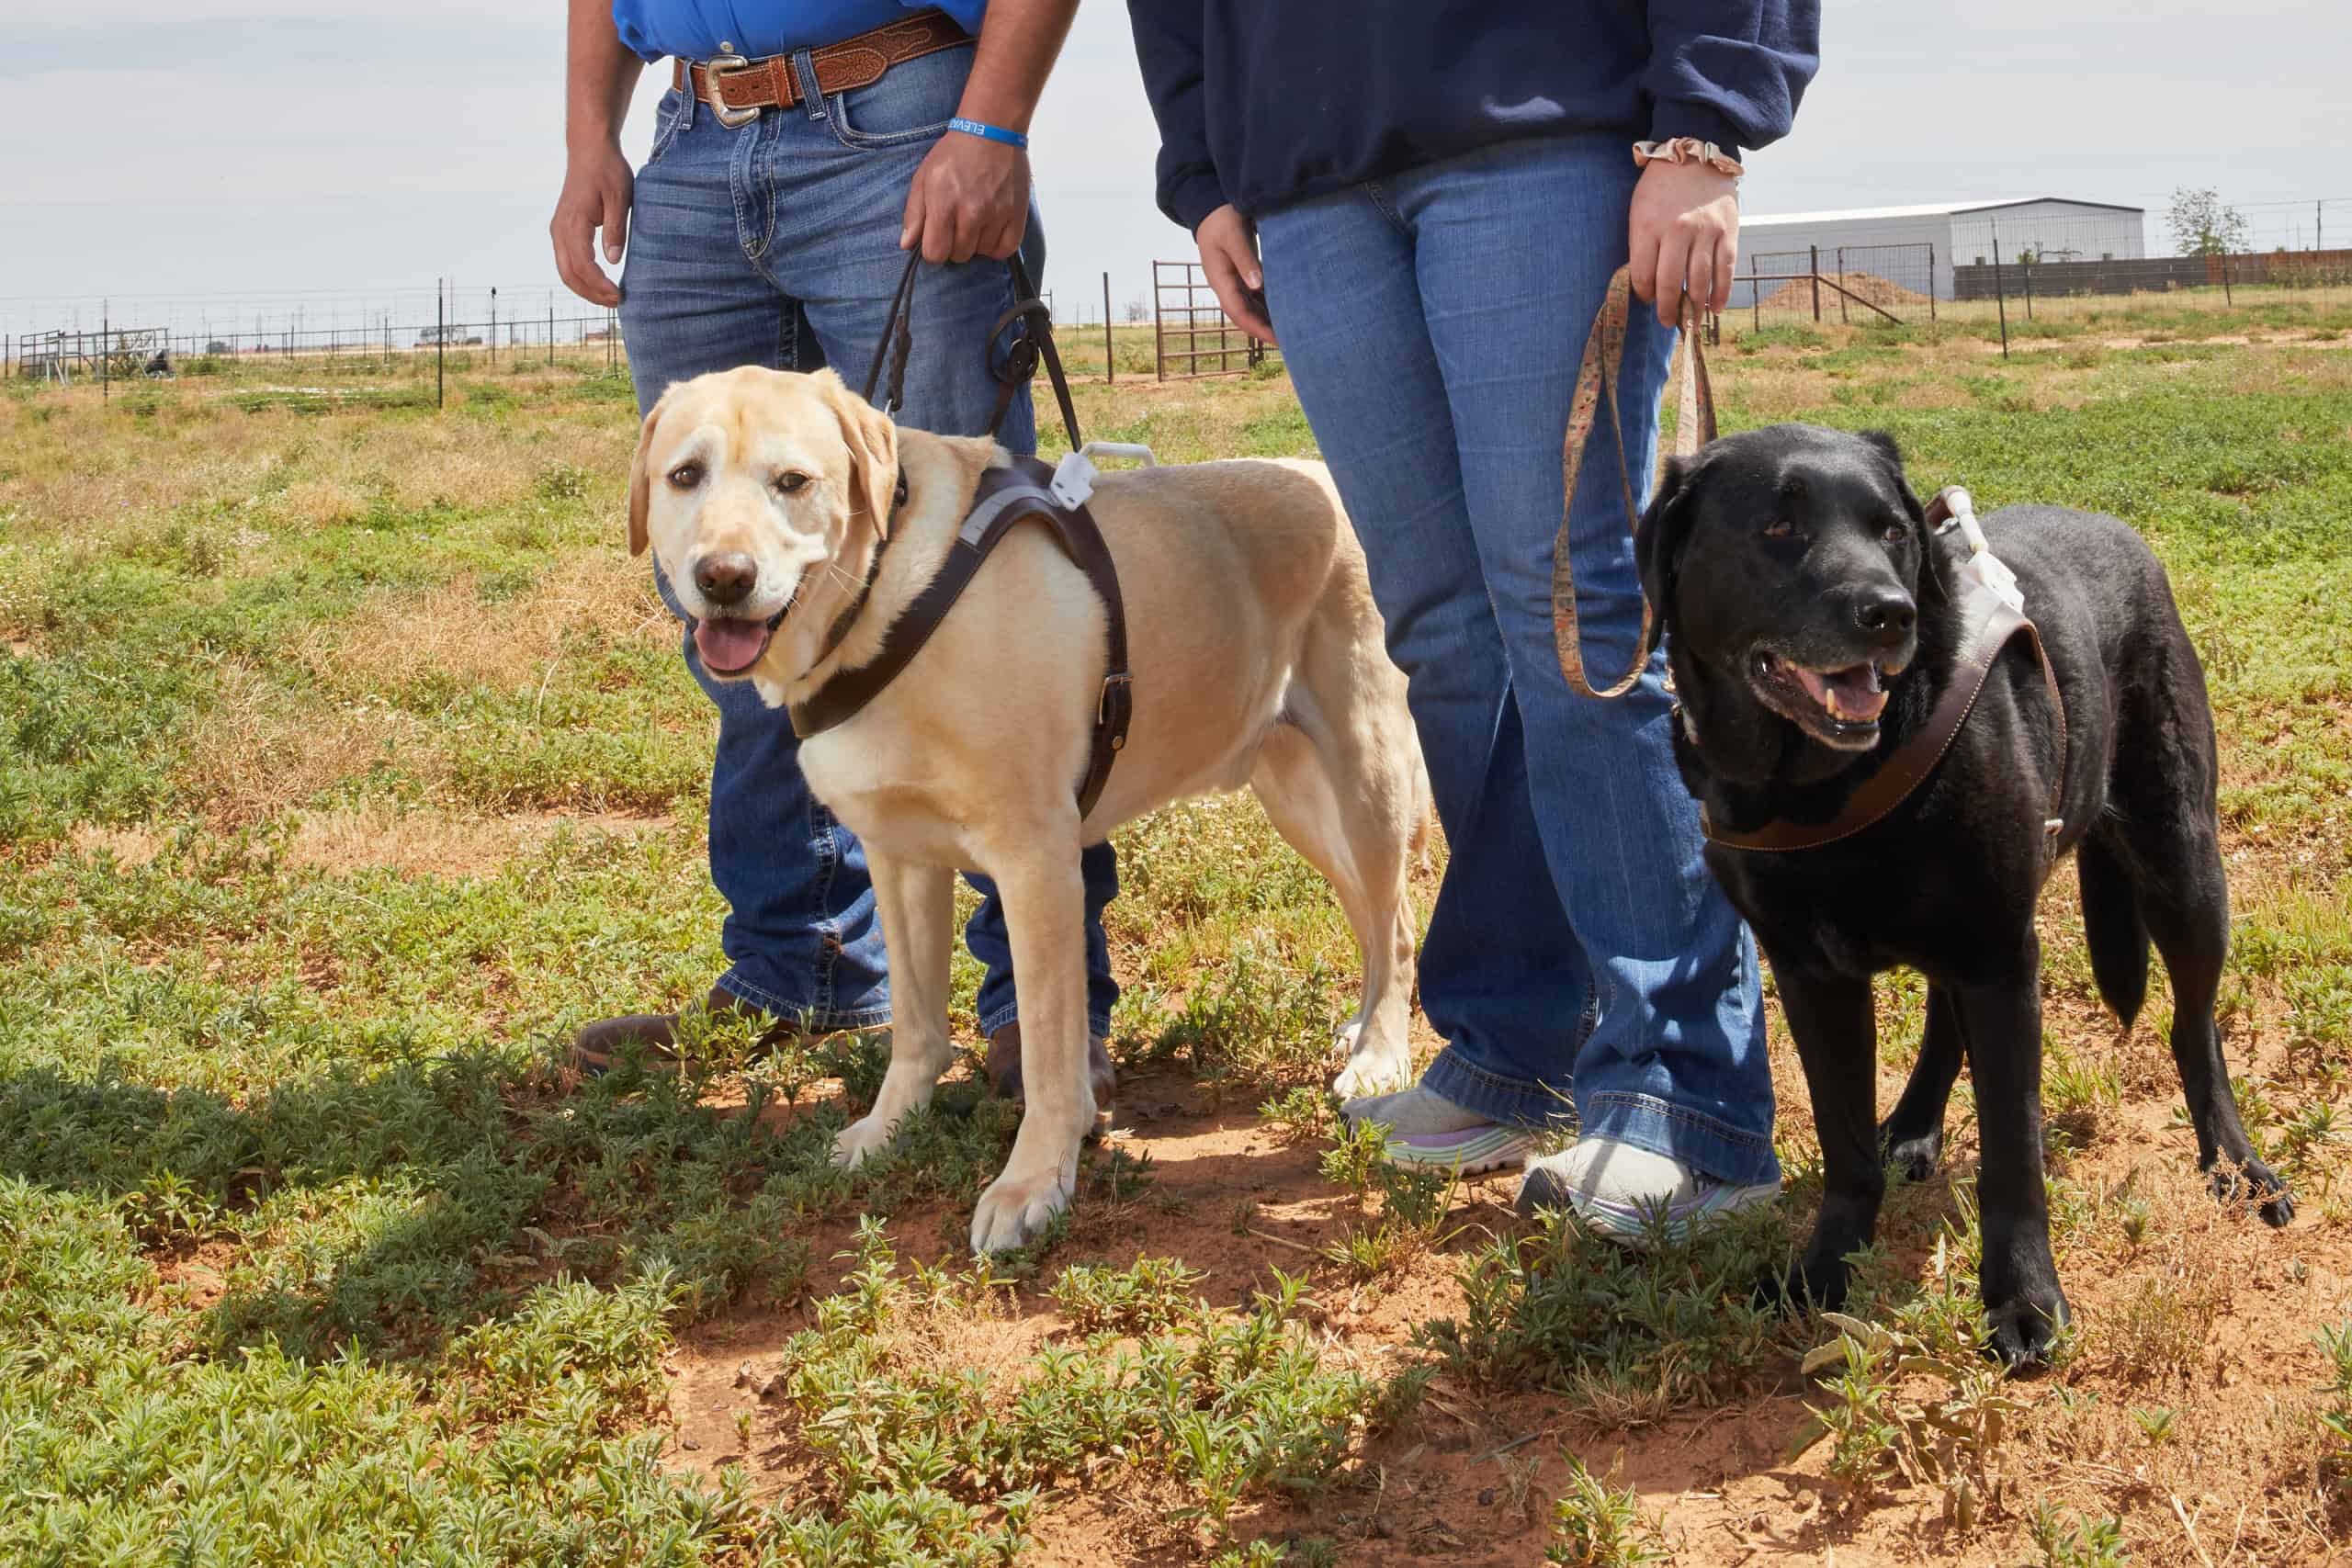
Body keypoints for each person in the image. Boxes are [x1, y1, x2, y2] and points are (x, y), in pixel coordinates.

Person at [1129, 3, 1818, 1237]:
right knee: (1440, 627)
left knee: (1568, 608)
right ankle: (1514, 1042)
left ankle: (1685, 1102)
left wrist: (1704, 124)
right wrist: (1203, 162)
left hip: (1541, 125)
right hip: (1305, 172)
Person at [553, 0, 1119, 1099]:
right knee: (735, 590)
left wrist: (992, 127)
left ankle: (1039, 1012)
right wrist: (590, 140)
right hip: (689, 141)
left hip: (905, 124)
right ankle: (802, 965)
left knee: (977, 597)